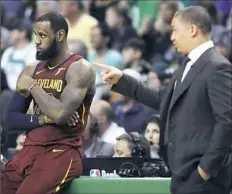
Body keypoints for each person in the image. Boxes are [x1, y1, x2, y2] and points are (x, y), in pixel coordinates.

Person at [93, 6, 232, 194]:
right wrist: (122, 80)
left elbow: (227, 123)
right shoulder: (187, 65)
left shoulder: (218, 67)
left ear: (192, 30)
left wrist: (205, 170)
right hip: (181, 172)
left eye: (175, 30)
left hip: (203, 179)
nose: (172, 37)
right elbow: (162, 98)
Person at [1, 12, 96, 194]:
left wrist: (33, 86)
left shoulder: (79, 69)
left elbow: (60, 115)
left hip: (61, 151)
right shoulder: (31, 69)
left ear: (59, 36)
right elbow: (10, 120)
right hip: (29, 149)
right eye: (35, 35)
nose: (36, 41)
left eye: (42, 35)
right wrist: (44, 118)